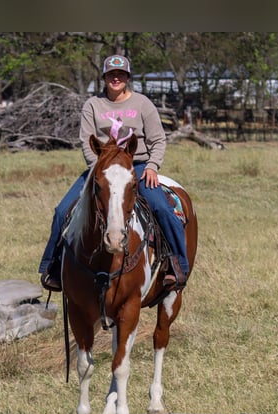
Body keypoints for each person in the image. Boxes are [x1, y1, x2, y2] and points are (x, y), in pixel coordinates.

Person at [38, 54, 188, 292]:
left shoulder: (142, 104)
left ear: (127, 77)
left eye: (120, 74)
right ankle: (52, 266)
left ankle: (177, 264)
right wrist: (97, 168)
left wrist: (152, 166)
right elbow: (87, 142)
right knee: (63, 210)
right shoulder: (93, 105)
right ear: (105, 77)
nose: (115, 78)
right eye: (111, 74)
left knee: (162, 208)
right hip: (102, 168)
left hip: (136, 167)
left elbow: (158, 140)